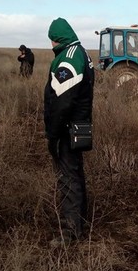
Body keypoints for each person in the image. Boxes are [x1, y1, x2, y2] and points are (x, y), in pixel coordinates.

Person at [44, 17, 94, 247]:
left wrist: (53, 135)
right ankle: (80, 220)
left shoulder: (69, 59)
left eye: (51, 41)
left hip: (66, 129)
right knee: (75, 173)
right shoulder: (79, 52)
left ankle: (71, 231)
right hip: (77, 126)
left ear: (57, 38)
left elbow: (62, 102)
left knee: (68, 178)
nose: (51, 45)